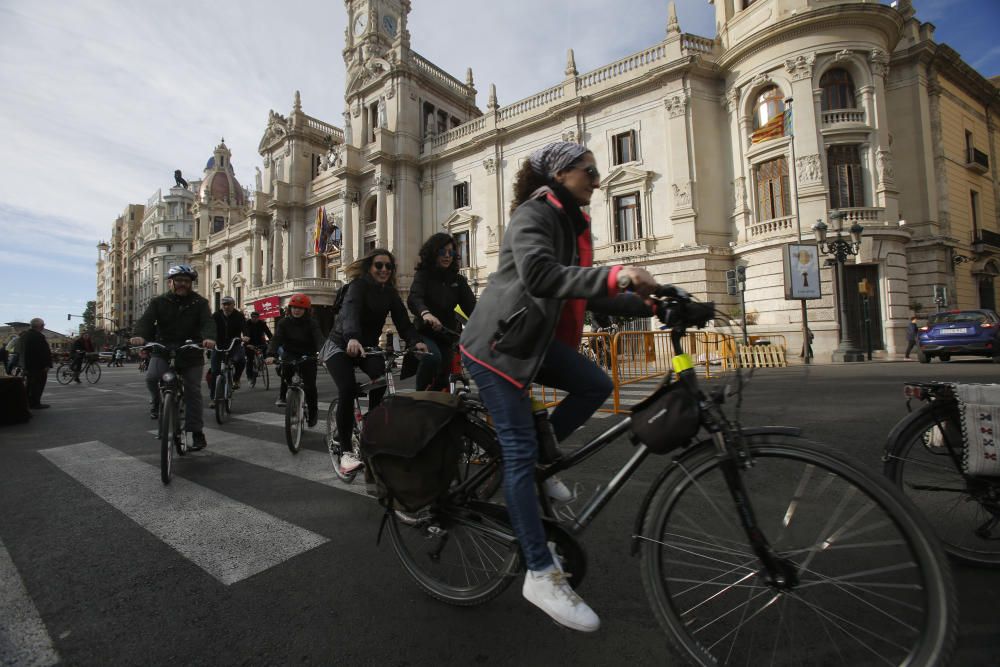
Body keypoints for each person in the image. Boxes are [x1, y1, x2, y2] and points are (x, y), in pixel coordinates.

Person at [459, 141, 657, 632]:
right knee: (519, 453)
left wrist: (659, 304)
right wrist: (617, 276)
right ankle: (540, 573)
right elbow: (543, 276)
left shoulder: (570, 224)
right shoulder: (535, 212)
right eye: (588, 169)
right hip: (498, 347)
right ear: (561, 173)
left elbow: (584, 293)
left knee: (595, 384)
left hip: (533, 340)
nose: (597, 177)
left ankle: (540, 462)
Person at [322, 248, 428, 474]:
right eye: (379, 265)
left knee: (381, 377)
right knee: (348, 388)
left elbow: (404, 322)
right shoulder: (358, 287)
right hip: (341, 344)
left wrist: (415, 341)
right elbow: (350, 311)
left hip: (366, 348)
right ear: (369, 267)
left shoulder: (389, 293)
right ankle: (346, 453)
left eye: (388, 266)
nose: (384, 270)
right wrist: (351, 337)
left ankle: (370, 425)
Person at [130, 265, 216, 451]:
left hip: (190, 350)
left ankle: (196, 431)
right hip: (163, 348)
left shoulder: (200, 303)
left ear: (191, 283)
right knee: (152, 378)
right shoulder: (159, 302)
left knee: (193, 390)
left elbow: (207, 322)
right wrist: (140, 335)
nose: (182, 284)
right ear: (171, 282)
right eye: (178, 280)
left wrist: (209, 338)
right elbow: (146, 320)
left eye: (186, 281)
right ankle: (157, 402)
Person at [406, 232, 477, 390]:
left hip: (446, 334)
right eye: (442, 252)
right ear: (433, 253)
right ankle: (421, 395)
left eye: (451, 252)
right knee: (433, 357)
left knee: (445, 371)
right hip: (425, 332)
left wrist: (487, 325)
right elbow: (414, 299)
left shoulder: (458, 280)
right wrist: (426, 313)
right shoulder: (423, 276)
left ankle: (436, 402)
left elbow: (472, 307)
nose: (447, 256)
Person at [265, 293, 324, 427]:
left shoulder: (312, 323)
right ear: (290, 308)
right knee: (285, 372)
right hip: (290, 353)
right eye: (294, 307)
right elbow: (276, 339)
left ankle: (313, 413)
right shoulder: (284, 322)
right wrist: (271, 354)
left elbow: (319, 338)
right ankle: (284, 396)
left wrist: (322, 353)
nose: (297, 310)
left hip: (308, 355)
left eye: (300, 308)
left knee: (310, 386)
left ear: (306, 310)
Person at [208, 296, 247, 408]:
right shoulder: (216, 315)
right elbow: (210, 327)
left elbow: (244, 327)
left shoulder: (239, 315)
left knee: (241, 360)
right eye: (224, 304)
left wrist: (246, 336)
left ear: (233, 305)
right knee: (215, 372)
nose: (226, 306)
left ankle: (236, 379)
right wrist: (209, 338)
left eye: (229, 304)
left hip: (234, 344)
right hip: (218, 345)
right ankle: (213, 399)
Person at [21, 318, 53, 409]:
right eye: (43, 325)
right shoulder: (38, 336)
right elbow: (42, 352)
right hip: (38, 366)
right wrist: (46, 365)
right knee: (38, 385)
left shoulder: (25, 335)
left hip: (29, 365)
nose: (43, 327)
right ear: (40, 326)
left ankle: (29, 402)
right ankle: (35, 403)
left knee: (30, 384)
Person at [243, 311, 273, 387]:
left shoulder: (262, 323)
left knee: (265, 350)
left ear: (258, 318)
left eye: (256, 317)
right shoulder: (247, 324)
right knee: (250, 360)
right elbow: (245, 334)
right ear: (251, 317)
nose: (254, 319)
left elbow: (268, 332)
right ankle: (250, 377)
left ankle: (262, 364)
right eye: (253, 317)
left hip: (260, 342)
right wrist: (247, 344)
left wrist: (272, 340)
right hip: (250, 343)